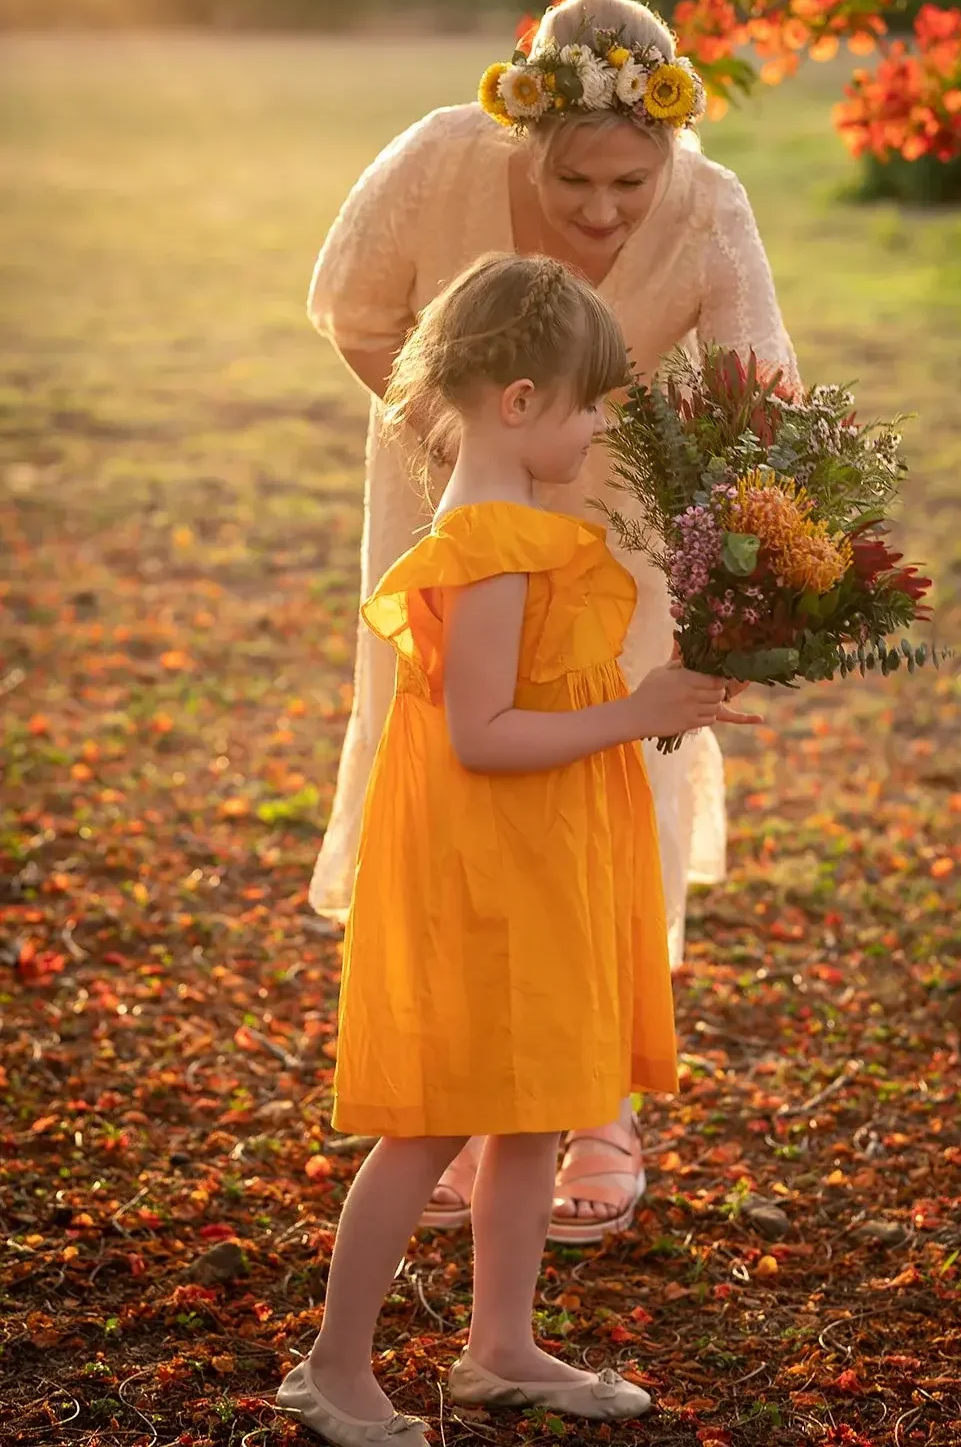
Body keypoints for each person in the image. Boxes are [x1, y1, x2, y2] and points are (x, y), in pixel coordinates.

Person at [307, 0, 798, 1242]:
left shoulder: (712, 206)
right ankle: (470, 1092)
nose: (601, 210)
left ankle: (596, 1106)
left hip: (616, 537)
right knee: (461, 783)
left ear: (671, 146)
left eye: (631, 183)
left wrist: (758, 572)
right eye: (574, 179)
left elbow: (762, 393)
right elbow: (351, 308)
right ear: (523, 132)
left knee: (611, 785)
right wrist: (462, 436)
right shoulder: (440, 159)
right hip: (457, 499)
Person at [277, 253, 762, 1446]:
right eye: (590, 406)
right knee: (436, 1117)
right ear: (521, 400)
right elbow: (483, 735)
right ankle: (333, 1367)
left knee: (535, 1100)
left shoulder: (521, 527)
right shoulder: (490, 544)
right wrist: (637, 712)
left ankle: (499, 1346)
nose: (598, 429)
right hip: (486, 864)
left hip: (537, 853)